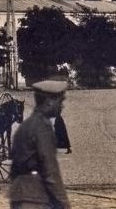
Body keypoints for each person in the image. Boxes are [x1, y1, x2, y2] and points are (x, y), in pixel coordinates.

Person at [8, 80, 70, 209]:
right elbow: (50, 170)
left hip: (19, 194)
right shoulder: (42, 127)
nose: (62, 106)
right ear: (48, 102)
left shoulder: (26, 125)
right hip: (36, 197)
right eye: (60, 101)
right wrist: (64, 203)